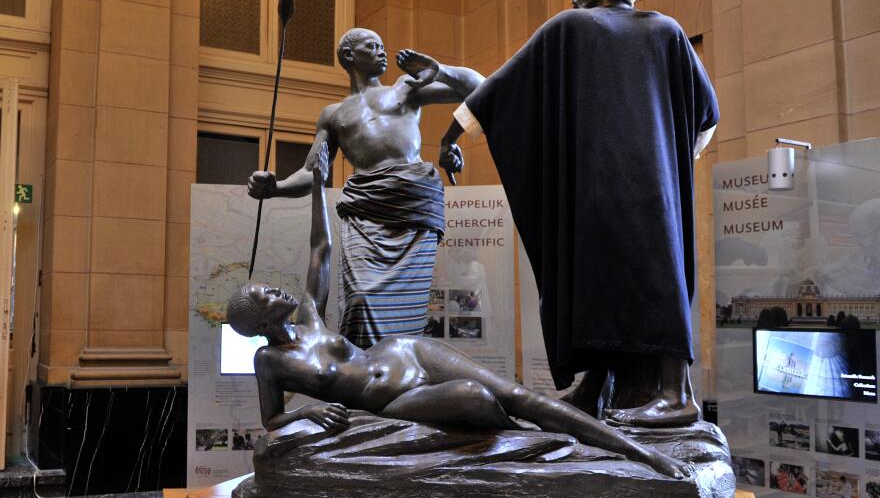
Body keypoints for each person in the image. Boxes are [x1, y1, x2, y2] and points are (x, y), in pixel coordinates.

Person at [228, 152, 689, 480]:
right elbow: (271, 420)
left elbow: (321, 249)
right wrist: (306, 413)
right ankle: (561, 446)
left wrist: (317, 191)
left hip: (407, 352)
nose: (274, 289)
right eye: (263, 295)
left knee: (519, 395)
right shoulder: (272, 363)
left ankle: (642, 455)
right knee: (477, 399)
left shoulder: (309, 314)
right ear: (260, 323)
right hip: (390, 400)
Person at [438, 0, 719, 428]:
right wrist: (671, 161)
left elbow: (503, 89)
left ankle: (680, 396)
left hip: (597, 189)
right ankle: (596, 386)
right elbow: (706, 114)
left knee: (614, 278)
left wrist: (450, 133)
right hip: (654, 189)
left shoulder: (570, 27)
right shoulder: (667, 31)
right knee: (636, 277)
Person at [247, 29, 482, 348]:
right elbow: (312, 171)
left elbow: (477, 86)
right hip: (365, 211)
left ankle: (401, 375)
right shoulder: (333, 115)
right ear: (349, 56)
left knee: (408, 311)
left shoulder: (405, 89)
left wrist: (439, 72)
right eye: (373, 47)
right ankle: (363, 381)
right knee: (360, 300)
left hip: (411, 202)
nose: (383, 52)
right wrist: (275, 187)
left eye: (383, 46)